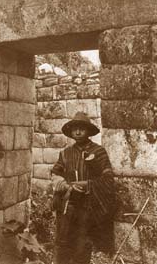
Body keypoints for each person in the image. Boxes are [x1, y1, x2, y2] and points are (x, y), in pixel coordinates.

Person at [51, 112, 115, 264]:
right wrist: (66, 185)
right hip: (68, 205)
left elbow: (108, 178)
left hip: (88, 206)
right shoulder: (66, 153)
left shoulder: (98, 152)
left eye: (82, 129)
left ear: (88, 131)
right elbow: (55, 173)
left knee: (82, 244)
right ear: (71, 132)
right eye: (75, 129)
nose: (78, 132)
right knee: (63, 242)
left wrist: (87, 185)